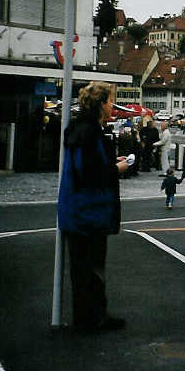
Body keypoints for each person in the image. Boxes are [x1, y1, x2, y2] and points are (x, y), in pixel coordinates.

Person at [57, 81, 130, 332]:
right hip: (88, 213)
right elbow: (90, 174)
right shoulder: (89, 133)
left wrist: (111, 163)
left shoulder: (80, 130)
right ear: (100, 104)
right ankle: (91, 319)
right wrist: (116, 168)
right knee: (90, 269)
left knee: (85, 270)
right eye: (110, 101)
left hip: (80, 212)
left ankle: (92, 316)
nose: (112, 106)